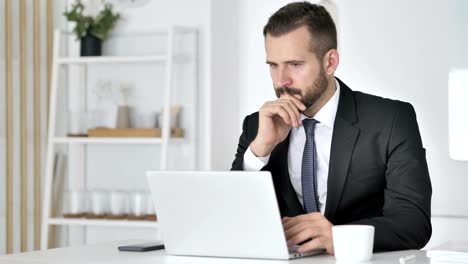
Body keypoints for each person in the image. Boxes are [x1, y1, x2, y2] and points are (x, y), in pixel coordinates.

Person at [231, 1, 431, 255]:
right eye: (273, 65)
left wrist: (339, 236)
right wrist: (259, 151)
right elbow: (232, 217)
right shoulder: (257, 125)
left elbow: (414, 223)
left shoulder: (390, 120)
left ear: (330, 62)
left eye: (294, 64)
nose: (281, 80)